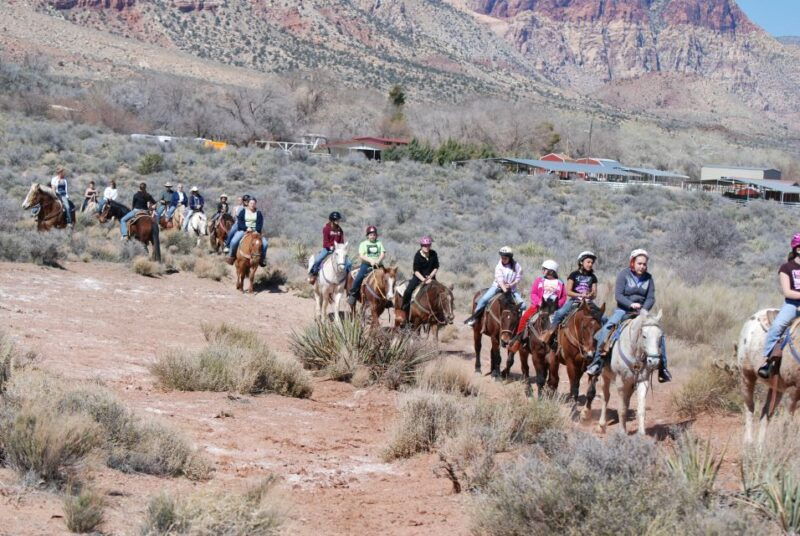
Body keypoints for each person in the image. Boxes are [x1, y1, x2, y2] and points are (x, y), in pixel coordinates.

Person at [586, 249, 670, 383]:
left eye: (644, 264)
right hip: (623, 310)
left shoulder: (649, 278)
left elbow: (650, 298)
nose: (642, 266)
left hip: (642, 312)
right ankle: (597, 363)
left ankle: (663, 368)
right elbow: (618, 295)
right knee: (606, 329)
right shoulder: (623, 274)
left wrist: (644, 309)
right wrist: (631, 304)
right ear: (633, 262)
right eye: (639, 263)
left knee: (658, 333)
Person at [759, 234, 800, 378]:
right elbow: (787, 292)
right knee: (777, 326)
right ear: (798, 249)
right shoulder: (786, 268)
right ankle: (768, 362)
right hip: (793, 305)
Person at [508, 259, 566, 351]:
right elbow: (533, 293)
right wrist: (538, 302)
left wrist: (557, 305)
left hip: (553, 308)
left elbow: (563, 297)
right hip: (539, 306)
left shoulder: (560, 283)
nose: (543, 270)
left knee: (563, 322)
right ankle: (518, 340)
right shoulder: (539, 280)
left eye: (545, 269)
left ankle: (560, 344)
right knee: (525, 317)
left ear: (551, 271)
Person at [464, 247, 524, 326]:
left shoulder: (516, 266)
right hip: (497, 287)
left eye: (505, 258)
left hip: (511, 289)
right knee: (483, 300)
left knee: (523, 306)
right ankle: (475, 319)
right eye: (502, 257)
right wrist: (505, 290)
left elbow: (518, 277)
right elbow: (500, 281)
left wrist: (511, 285)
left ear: (510, 257)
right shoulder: (499, 266)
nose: (503, 259)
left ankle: (521, 324)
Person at [549, 251, 600, 328]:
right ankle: (551, 332)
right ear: (581, 262)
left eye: (592, 263)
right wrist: (580, 295)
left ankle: (602, 335)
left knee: (604, 318)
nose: (590, 264)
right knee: (559, 314)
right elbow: (568, 291)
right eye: (588, 262)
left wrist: (590, 295)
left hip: (587, 302)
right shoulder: (574, 275)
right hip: (575, 300)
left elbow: (594, 294)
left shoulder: (593, 277)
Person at [348, 226, 386, 306]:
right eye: (371, 235)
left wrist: (378, 260)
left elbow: (382, 253)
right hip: (366, 264)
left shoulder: (379, 243)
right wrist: (370, 260)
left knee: (387, 277)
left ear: (376, 236)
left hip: (378, 264)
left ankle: (387, 297)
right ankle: (353, 294)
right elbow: (361, 255)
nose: (372, 236)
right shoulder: (363, 244)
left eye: (374, 235)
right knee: (359, 277)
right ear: (368, 236)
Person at [402, 236, 440, 316]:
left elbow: (436, 267)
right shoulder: (417, 255)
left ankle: (440, 313)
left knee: (440, 292)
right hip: (419, 277)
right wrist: (424, 280)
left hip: (431, 277)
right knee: (408, 291)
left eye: (428, 245)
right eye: (424, 245)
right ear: (421, 246)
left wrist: (430, 276)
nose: (426, 247)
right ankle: (405, 308)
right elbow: (416, 271)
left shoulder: (433, 254)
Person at [308, 211, 350, 284]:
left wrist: (342, 248)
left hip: (337, 250)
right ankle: (313, 275)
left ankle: (348, 279)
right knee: (318, 260)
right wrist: (330, 246)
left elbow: (341, 241)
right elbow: (325, 241)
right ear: (332, 220)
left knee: (349, 263)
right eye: (336, 220)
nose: (338, 221)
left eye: (338, 219)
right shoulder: (326, 229)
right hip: (327, 249)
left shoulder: (340, 230)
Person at [226, 197, 268, 267]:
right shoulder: (243, 211)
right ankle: (231, 257)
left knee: (265, 244)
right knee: (233, 242)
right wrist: (246, 228)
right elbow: (240, 222)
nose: (252, 205)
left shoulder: (258, 213)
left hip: (255, 231)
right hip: (244, 230)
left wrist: (256, 230)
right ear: (248, 204)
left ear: (255, 204)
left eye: (254, 203)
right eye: (251, 203)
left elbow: (260, 223)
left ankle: (262, 259)